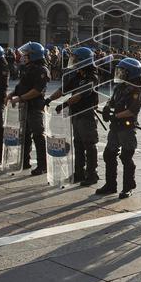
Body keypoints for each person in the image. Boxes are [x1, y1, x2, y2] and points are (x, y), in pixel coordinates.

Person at [48, 47, 101, 185]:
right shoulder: (78, 75)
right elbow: (63, 89)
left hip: (86, 114)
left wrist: (64, 104)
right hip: (76, 114)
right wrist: (49, 99)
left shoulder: (92, 77)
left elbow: (80, 95)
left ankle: (92, 174)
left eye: (76, 59)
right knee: (78, 144)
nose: (73, 62)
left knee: (89, 145)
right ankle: (79, 173)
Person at [96, 58, 141, 198]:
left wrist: (115, 116)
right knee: (109, 154)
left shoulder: (136, 90)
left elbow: (132, 111)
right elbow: (112, 100)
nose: (119, 73)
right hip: (116, 126)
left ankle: (128, 187)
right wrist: (106, 108)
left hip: (127, 127)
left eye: (122, 71)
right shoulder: (120, 86)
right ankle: (110, 185)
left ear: (131, 73)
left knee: (126, 156)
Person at [8, 42, 50, 176]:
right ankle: (24, 161)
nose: (24, 56)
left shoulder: (42, 70)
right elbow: (21, 85)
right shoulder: (28, 68)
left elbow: (37, 90)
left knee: (38, 135)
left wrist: (20, 98)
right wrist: (11, 94)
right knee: (24, 134)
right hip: (25, 106)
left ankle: (43, 165)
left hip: (35, 107)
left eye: (27, 54)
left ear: (34, 55)